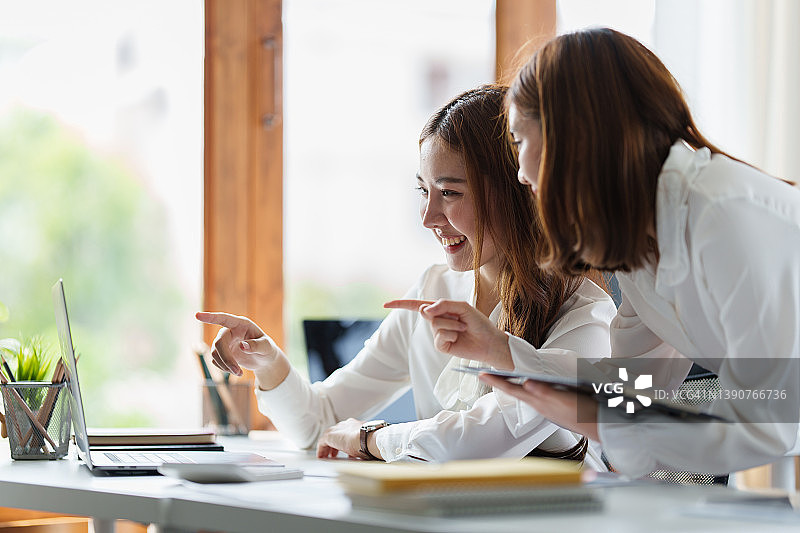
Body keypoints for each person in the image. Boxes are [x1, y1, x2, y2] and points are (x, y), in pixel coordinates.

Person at [393, 28, 800, 479]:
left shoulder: (722, 216)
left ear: (575, 139)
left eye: (519, 142)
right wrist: (503, 351)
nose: (521, 173)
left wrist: (602, 421)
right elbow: (633, 388)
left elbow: (767, 423)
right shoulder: (644, 248)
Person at [197, 84, 617, 466]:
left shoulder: (586, 315)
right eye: (423, 191)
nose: (428, 217)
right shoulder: (434, 289)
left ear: (516, 192)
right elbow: (319, 424)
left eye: (449, 193)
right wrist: (267, 361)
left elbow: (477, 441)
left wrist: (371, 439)